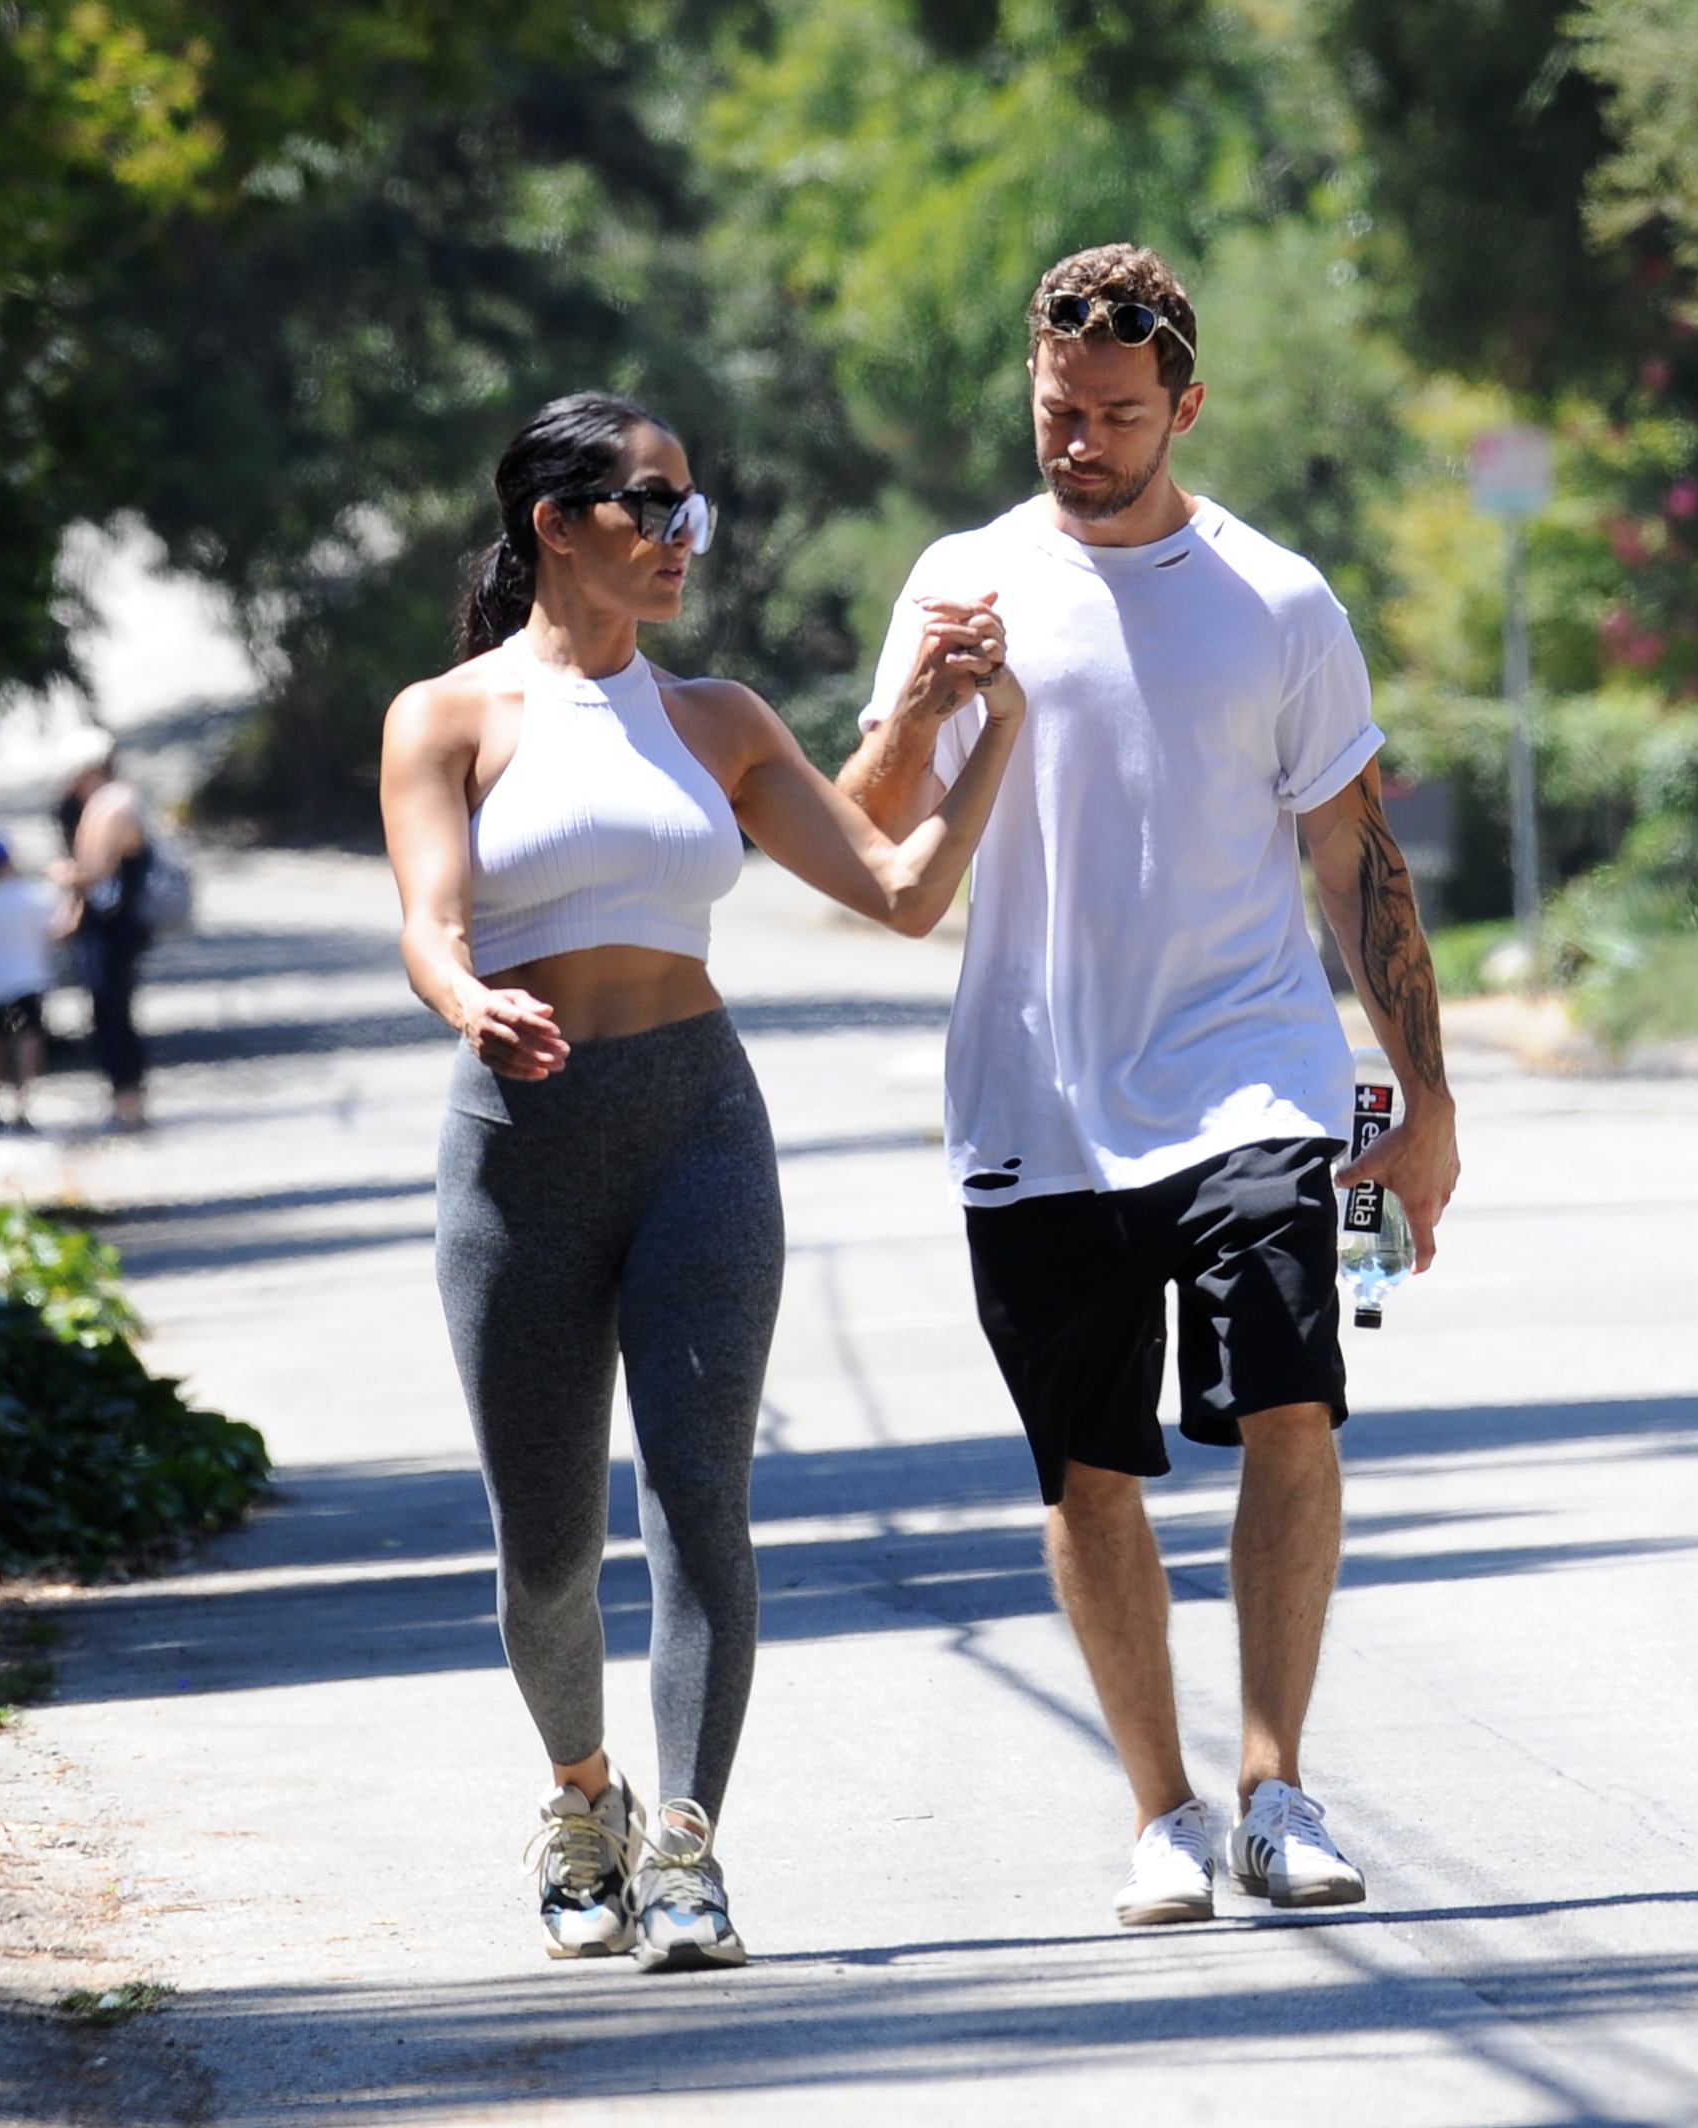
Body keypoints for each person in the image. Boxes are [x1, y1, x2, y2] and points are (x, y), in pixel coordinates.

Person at [838, 244, 1460, 1923]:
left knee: (1288, 1399)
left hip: (1248, 1073)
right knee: (1086, 1466)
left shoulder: (1275, 600)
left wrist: (1424, 1096)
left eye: (1113, 414)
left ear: (1182, 404)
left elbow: (1352, 854)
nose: (1078, 442)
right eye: (1056, 411)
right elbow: (869, 826)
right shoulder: (960, 582)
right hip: (1032, 1096)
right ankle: (1160, 1810)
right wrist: (922, 694)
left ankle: (1275, 1781)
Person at [379, 391, 1023, 1973]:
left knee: (698, 1506)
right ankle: (578, 1797)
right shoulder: (444, 717)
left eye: (690, 510)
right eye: (652, 508)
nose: (682, 539)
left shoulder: (719, 721)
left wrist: (987, 726)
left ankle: (684, 1849)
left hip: (699, 1136)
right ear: (557, 522)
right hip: (517, 1150)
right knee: (541, 1552)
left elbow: (894, 889)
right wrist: (470, 1003)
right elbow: (430, 923)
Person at [53, 747, 154, 1131]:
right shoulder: (101, 805)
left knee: (113, 1012)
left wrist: (65, 874)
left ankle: (129, 1100)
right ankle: (124, 1098)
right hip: (106, 927)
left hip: (116, 928)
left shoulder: (113, 806)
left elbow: (96, 870)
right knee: (107, 1011)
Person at [0, 835, 57, 1131]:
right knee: (27, 1039)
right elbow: (54, 930)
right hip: (26, 979)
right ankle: (21, 1104)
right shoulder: (36, 897)